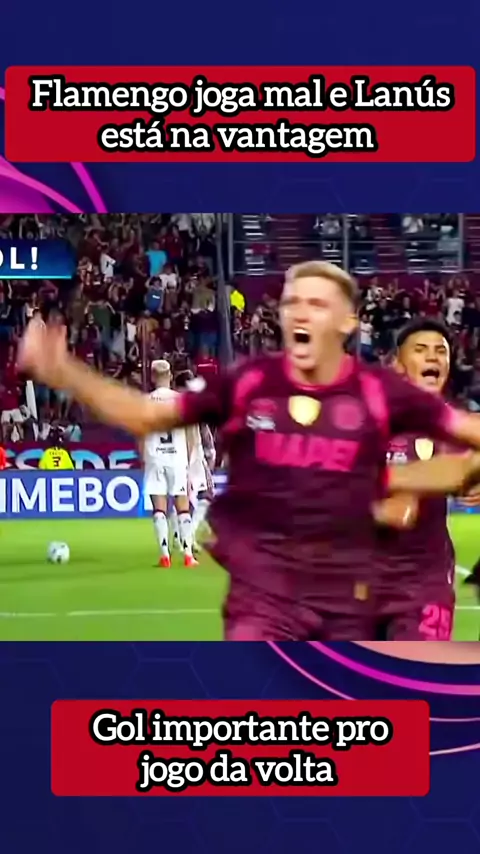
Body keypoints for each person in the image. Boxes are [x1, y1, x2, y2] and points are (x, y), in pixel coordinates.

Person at [17, 261, 480, 641]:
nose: (301, 313)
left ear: (347, 323)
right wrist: (64, 372)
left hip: (354, 598)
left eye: (317, 304)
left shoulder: (378, 394)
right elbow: (145, 415)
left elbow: (463, 444)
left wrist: (444, 476)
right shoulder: (250, 382)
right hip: (267, 596)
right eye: (292, 302)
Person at [372, 318, 470, 640]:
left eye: (441, 351)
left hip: (426, 586)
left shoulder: (459, 430)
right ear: (398, 365)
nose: (432, 357)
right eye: (421, 349)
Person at [140, 360, 197, 569]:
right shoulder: (182, 401)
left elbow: (140, 433)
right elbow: (191, 434)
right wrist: (188, 460)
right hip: (177, 457)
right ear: (170, 376)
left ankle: (165, 556)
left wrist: (143, 458)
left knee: (159, 508)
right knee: (183, 506)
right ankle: (188, 555)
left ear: (153, 376)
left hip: (155, 457)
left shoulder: (145, 402)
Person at [175, 369, 216, 552]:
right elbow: (203, 433)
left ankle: (182, 536)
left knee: (185, 496)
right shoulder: (188, 405)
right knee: (205, 496)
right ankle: (187, 536)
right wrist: (209, 453)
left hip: (179, 456)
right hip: (192, 456)